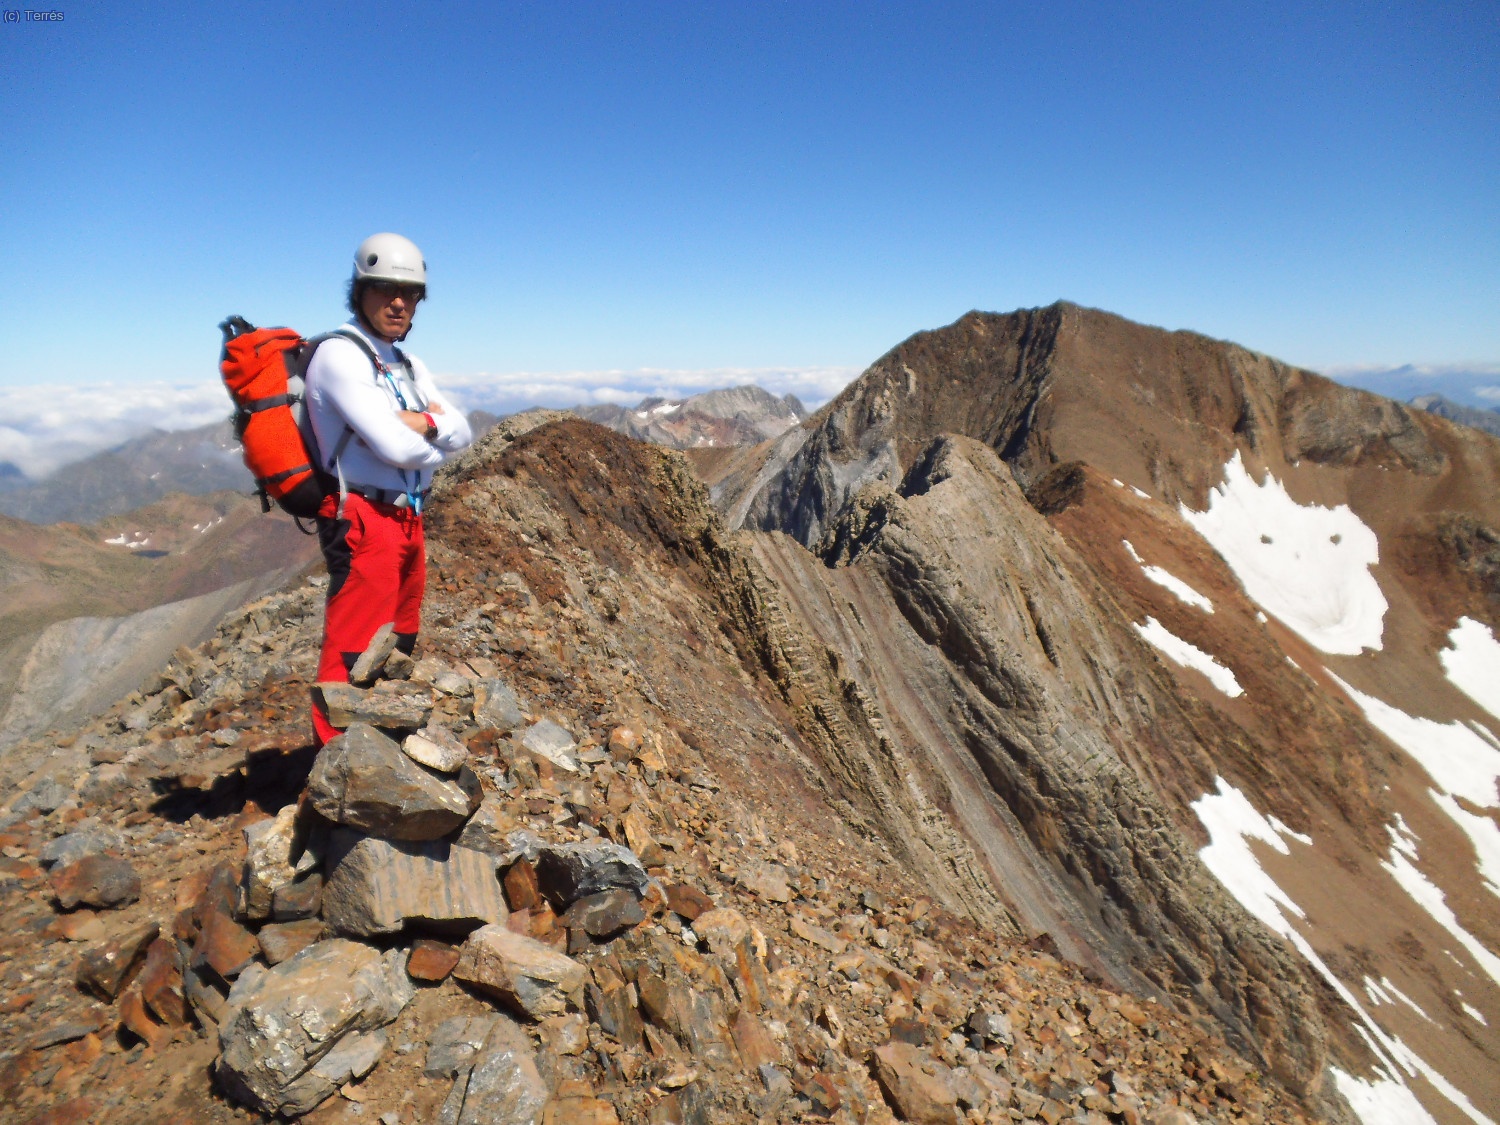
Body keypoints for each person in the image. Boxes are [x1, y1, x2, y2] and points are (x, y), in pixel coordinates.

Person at [304, 232, 473, 745]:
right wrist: (431, 432)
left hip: (407, 517)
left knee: (398, 638)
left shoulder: (407, 362)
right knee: (352, 646)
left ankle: (381, 749)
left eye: (410, 293)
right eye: (383, 289)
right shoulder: (340, 356)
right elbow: (395, 449)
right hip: (362, 518)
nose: (398, 302)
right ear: (359, 291)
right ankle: (335, 767)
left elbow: (463, 432)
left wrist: (416, 423)